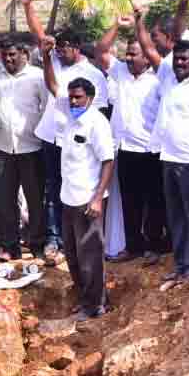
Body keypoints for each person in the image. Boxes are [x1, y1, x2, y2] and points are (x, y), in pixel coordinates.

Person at [24, 0, 108, 262]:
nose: (59, 52)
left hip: (80, 142)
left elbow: (99, 112)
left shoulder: (93, 75)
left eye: (64, 48)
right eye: (57, 48)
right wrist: (28, 6)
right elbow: (41, 38)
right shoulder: (56, 63)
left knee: (79, 191)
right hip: (52, 138)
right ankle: (54, 240)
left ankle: (82, 242)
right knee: (53, 190)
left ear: (77, 47)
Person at [138, 34, 189, 283]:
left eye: (185, 59)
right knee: (175, 215)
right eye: (176, 59)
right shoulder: (170, 83)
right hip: (169, 157)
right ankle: (181, 262)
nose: (179, 63)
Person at [41, 68, 114, 321]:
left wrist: (97, 198)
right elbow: (51, 84)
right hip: (68, 197)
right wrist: (47, 55)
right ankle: (87, 300)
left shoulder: (97, 123)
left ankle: (95, 306)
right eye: (71, 97)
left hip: (87, 199)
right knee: (72, 254)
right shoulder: (71, 117)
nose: (73, 101)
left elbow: (107, 161)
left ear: (91, 98)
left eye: (79, 97)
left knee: (90, 256)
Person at [96, 16, 166, 264]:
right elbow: (101, 50)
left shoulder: (159, 78)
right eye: (126, 53)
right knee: (130, 201)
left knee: (153, 201)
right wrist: (116, 24)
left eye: (133, 54)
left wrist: (140, 24)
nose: (127, 58)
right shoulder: (120, 72)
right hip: (124, 149)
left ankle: (154, 247)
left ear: (147, 57)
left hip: (150, 149)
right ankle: (133, 247)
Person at [0, 35, 47, 261]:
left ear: (23, 54)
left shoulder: (37, 77)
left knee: (35, 198)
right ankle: (10, 246)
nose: (7, 59)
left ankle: (38, 244)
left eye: (12, 55)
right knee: (4, 200)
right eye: (4, 55)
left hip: (32, 148)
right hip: (1, 147)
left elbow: (47, 108)